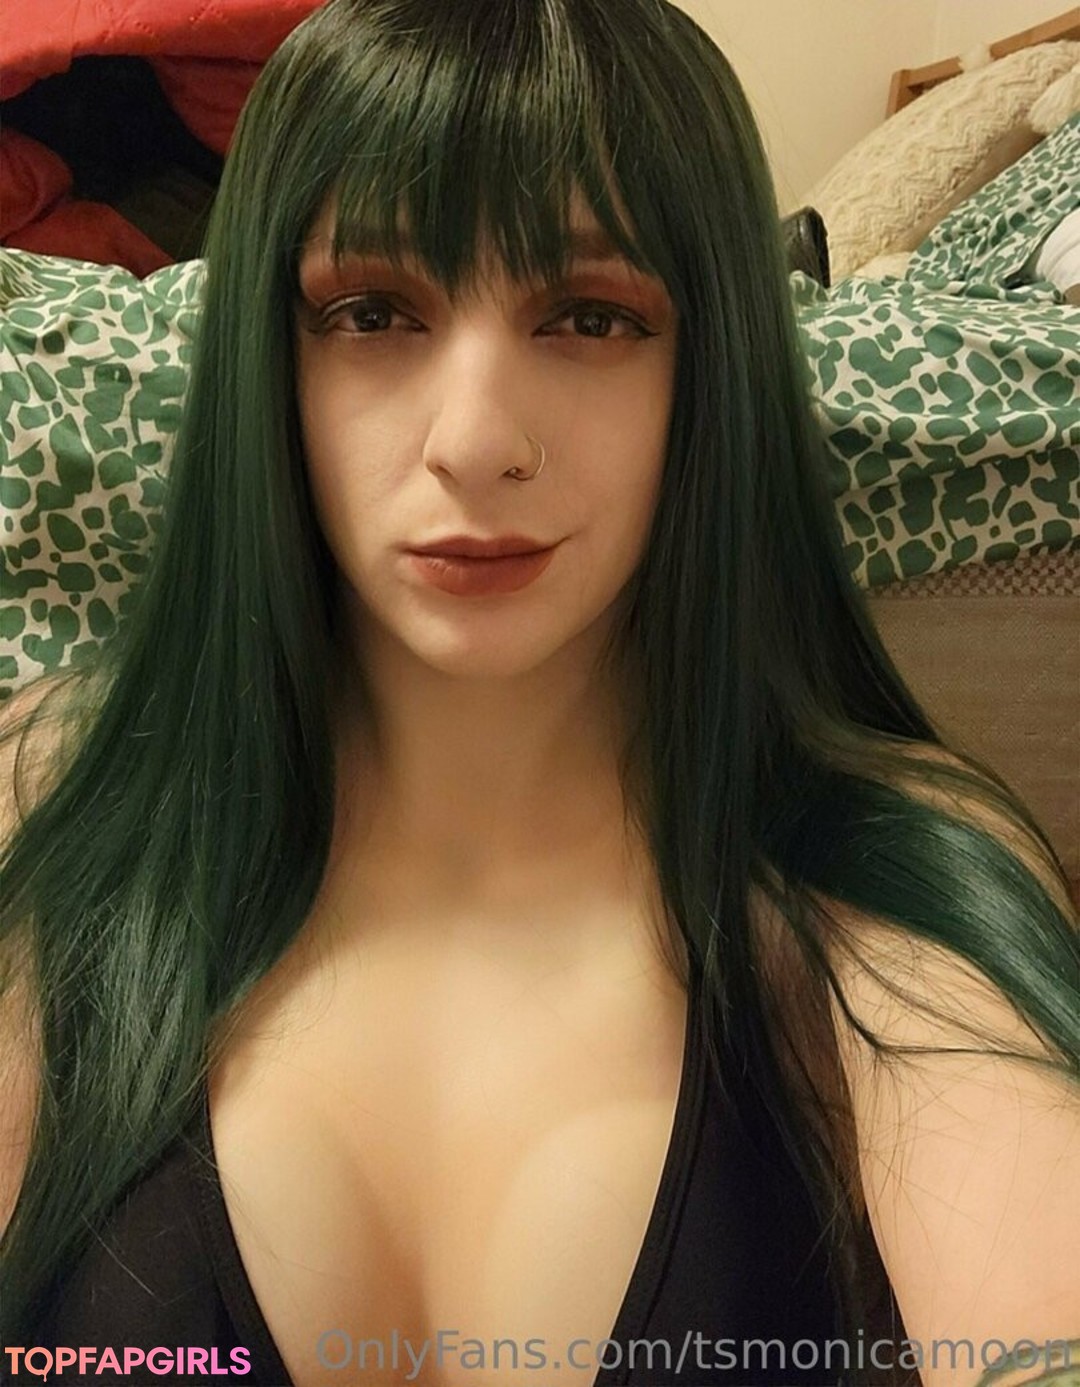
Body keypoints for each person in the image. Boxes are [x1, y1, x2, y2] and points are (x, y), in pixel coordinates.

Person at [1, 0, 1078, 1383]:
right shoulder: (48, 798)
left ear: (713, 366)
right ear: (270, 356)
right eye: (371, 312)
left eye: (589, 316)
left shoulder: (877, 875)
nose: (474, 442)